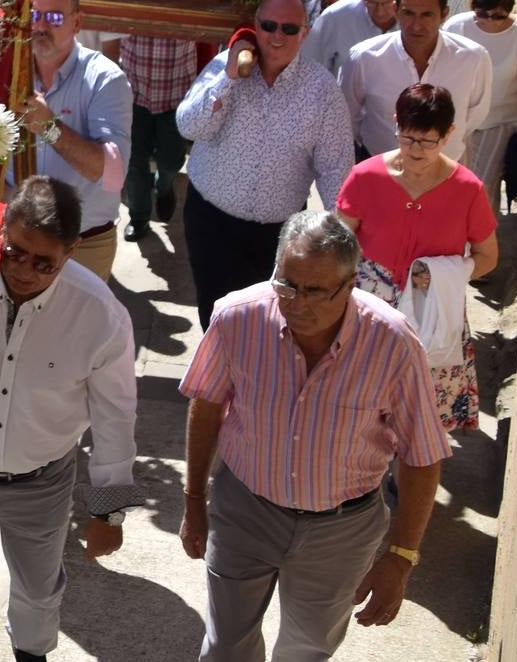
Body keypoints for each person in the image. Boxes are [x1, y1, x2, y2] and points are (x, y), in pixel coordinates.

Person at [179, 212, 448, 660]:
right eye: (286, 284)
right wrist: (193, 501)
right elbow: (206, 405)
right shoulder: (236, 318)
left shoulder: (393, 344)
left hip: (340, 531)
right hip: (244, 510)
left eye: (315, 291)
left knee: (307, 649)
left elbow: (421, 454)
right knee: (225, 645)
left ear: (349, 285)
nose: (297, 303)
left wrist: (400, 557)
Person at [0, 177, 139, 662]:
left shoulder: (101, 317)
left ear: (72, 250)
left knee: (37, 595)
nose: (24, 271)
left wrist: (109, 512)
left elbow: (115, 419)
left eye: (45, 263)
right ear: (2, 232)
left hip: (41, 482)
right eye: (15, 252)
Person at [176, 0, 355, 327]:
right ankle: (220, 377)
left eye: (289, 28)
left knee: (268, 323)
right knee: (215, 315)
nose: (277, 35)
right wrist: (227, 79)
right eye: (269, 25)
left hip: (279, 232)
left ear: (305, 32)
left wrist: (339, 242)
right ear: (254, 28)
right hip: (212, 219)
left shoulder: (323, 92)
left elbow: (336, 170)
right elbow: (188, 126)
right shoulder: (224, 67)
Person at [335, 84, 499, 433]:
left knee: (418, 417)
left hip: (432, 310)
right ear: (396, 124)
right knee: (361, 407)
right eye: (408, 138)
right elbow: (338, 242)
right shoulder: (365, 176)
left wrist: (442, 275)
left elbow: (487, 257)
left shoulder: (468, 190)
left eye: (429, 142)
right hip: (369, 310)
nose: (416, 150)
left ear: (449, 133)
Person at [0, 0, 133, 280]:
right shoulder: (5, 68)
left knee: (76, 328)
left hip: (81, 243)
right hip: (13, 237)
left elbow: (112, 172)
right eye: (34, 15)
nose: (40, 26)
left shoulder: (105, 80)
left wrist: (50, 127)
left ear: (77, 23)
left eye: (54, 17)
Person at [341, 0, 492, 158]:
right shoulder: (363, 59)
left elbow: (474, 116)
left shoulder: (473, 59)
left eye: (427, 15)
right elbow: (348, 117)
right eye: (408, 13)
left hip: (446, 175)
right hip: (381, 174)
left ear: (444, 14)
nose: (417, 25)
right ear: (396, 10)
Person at [446, 0, 517, 211]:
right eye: (483, 14)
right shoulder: (456, 26)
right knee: (454, 183)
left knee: (482, 184)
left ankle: (481, 242)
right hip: (460, 122)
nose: (490, 21)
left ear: (510, 11)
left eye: (498, 16)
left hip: (500, 122)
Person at [109, 30, 199, 241]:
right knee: (133, 160)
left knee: (172, 158)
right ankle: (139, 217)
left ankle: (164, 186)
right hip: (134, 89)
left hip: (176, 91)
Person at [304, 0, 401, 77]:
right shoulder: (336, 17)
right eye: (372, 3)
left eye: (387, 3)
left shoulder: (412, 17)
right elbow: (311, 64)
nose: (380, 12)